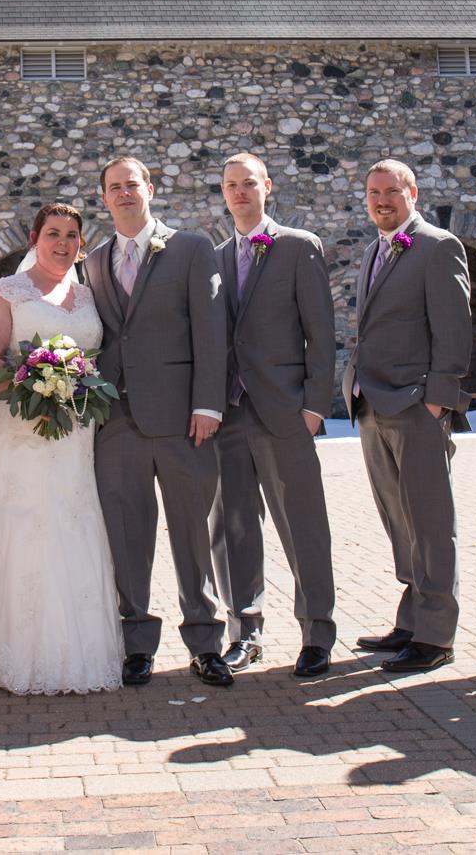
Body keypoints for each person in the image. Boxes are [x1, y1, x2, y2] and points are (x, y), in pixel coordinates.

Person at [0, 204, 123, 693]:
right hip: (20, 426)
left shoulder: (87, 293)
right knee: (18, 520)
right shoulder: (5, 293)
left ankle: (74, 647)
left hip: (76, 430)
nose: (63, 244)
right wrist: (36, 391)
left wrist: (70, 391)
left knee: (72, 519)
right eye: (54, 234)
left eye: (72, 236)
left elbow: (94, 358)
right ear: (34, 236)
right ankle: (6, 648)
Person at [84, 157, 233, 689]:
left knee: (193, 532)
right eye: (114, 187)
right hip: (116, 420)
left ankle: (205, 641)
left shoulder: (191, 247)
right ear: (104, 197)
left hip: (181, 419)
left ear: (150, 188)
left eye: (132, 184)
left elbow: (212, 330)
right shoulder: (95, 261)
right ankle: (137, 643)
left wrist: (208, 405)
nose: (124, 193)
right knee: (127, 536)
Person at [208, 153, 338, 679]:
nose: (240, 193)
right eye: (230, 185)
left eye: (248, 184)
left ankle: (317, 633)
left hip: (285, 410)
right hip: (230, 413)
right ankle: (245, 630)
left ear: (267, 187)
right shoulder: (215, 257)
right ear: (223, 193)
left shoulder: (297, 246)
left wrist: (314, 405)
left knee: (303, 523)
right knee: (233, 525)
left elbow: (322, 333)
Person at [344, 158, 470, 674]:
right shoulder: (376, 248)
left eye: (391, 191)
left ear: (412, 192)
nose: (381, 201)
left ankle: (436, 634)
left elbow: (454, 329)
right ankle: (413, 615)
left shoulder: (439, 247)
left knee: (430, 521)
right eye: (373, 193)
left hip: (416, 404)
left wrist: (437, 399)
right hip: (373, 403)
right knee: (398, 518)